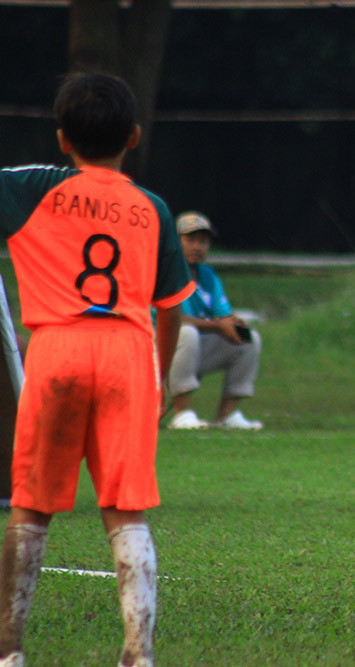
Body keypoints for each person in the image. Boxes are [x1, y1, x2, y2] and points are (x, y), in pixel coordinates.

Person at [0, 72, 195, 667]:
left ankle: (9, 651)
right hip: (128, 355)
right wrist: (159, 381)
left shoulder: (31, 187)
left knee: (30, 509)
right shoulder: (153, 208)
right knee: (126, 510)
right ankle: (138, 655)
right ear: (133, 136)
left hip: (56, 347)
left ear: (62, 138)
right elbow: (172, 308)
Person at [166, 211, 263, 431]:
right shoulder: (165, 272)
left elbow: (222, 315)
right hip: (158, 347)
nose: (197, 247)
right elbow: (172, 319)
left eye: (203, 241)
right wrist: (218, 325)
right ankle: (182, 413)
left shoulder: (208, 275)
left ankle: (226, 415)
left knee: (249, 339)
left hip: (193, 348)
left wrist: (232, 323)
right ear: (175, 241)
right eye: (190, 240)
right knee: (187, 332)